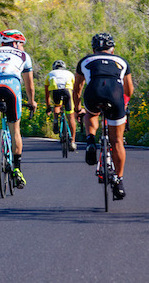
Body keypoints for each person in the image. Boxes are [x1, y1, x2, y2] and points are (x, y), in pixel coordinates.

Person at [73, 33, 134, 200]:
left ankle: (90, 139)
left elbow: (77, 87)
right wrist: (124, 105)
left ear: (93, 49)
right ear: (112, 49)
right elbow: (129, 90)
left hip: (94, 93)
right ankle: (119, 181)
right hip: (115, 95)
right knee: (117, 141)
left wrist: (78, 109)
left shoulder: (85, 61)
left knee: (91, 113)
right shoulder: (122, 61)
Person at [0, 29, 37, 189]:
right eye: (21, 44)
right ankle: (17, 169)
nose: (22, 47)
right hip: (12, 86)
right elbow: (29, 85)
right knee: (15, 131)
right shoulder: (24, 56)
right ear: (16, 43)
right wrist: (32, 102)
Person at [44, 60, 78, 151]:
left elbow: (47, 94)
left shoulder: (50, 74)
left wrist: (48, 107)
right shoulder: (70, 73)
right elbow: (75, 91)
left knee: (57, 106)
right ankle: (73, 142)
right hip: (67, 91)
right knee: (70, 116)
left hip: (55, 91)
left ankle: (55, 120)